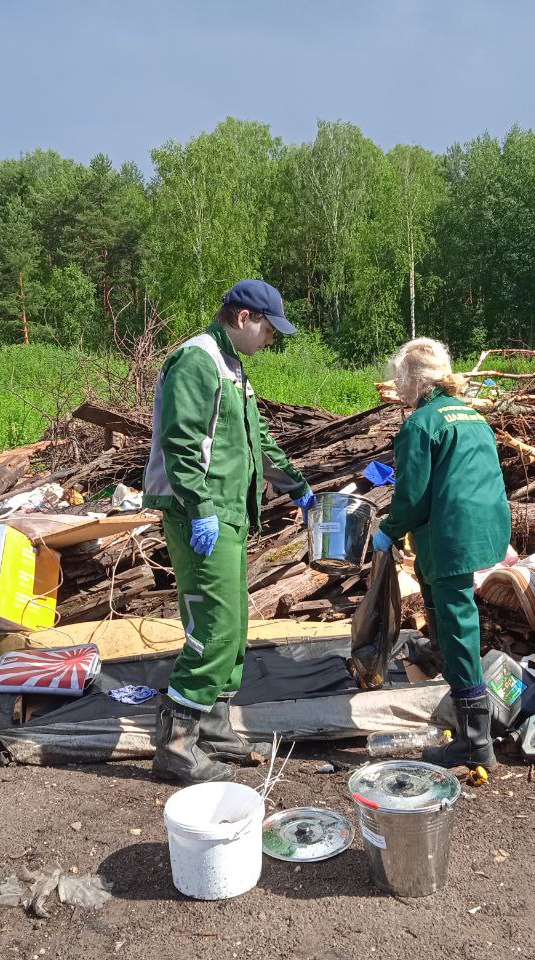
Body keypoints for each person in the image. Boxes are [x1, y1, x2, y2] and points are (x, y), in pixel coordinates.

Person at [142, 279, 315, 785]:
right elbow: (181, 442)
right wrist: (199, 507)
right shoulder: (197, 361)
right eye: (268, 328)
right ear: (242, 317)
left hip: (230, 515)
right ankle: (176, 747)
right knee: (213, 628)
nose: (271, 339)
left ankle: (214, 727)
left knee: (235, 628)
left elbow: (256, 437)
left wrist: (298, 489)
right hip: (201, 514)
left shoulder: (232, 366)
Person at [371, 337, 511, 770]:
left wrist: (388, 529)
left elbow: (412, 497)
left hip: (452, 534)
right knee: (445, 614)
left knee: (454, 626)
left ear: (411, 379)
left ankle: (475, 739)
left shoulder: (420, 424)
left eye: (400, 378)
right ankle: (464, 707)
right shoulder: (472, 416)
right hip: (486, 527)